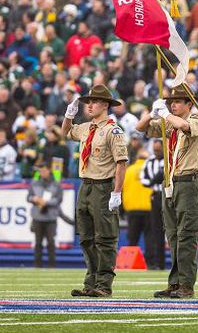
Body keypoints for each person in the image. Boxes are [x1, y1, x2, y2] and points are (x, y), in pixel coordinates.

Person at [136, 84, 198, 299]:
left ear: (189, 104)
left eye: (177, 102)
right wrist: (151, 113)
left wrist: (165, 114)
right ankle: (174, 283)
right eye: (170, 102)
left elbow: (185, 126)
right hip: (170, 182)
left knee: (186, 234)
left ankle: (186, 285)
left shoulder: (196, 120)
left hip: (187, 181)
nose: (172, 105)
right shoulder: (168, 122)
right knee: (173, 235)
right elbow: (140, 128)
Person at [63, 84, 128, 298]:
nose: (89, 105)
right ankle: (91, 281)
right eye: (88, 102)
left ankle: (104, 284)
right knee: (86, 237)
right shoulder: (86, 128)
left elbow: (121, 163)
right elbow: (66, 133)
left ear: (105, 105)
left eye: (94, 101)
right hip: (86, 185)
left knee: (105, 237)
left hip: (103, 186)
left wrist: (116, 193)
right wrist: (68, 115)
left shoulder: (113, 130)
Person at [27, 160, 64, 268]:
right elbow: (28, 197)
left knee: (51, 243)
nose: (42, 173)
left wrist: (45, 202)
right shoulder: (34, 183)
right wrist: (34, 199)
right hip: (37, 216)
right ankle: (37, 265)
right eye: (40, 171)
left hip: (51, 217)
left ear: (49, 170)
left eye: (44, 170)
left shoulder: (56, 184)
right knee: (38, 243)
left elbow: (58, 200)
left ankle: (51, 266)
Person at [139, 138, 166, 270]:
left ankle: (171, 263)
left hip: (168, 196)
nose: (157, 151)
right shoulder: (149, 161)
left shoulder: (168, 159)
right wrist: (153, 180)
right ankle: (157, 263)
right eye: (155, 150)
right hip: (155, 196)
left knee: (171, 230)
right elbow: (143, 179)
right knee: (156, 230)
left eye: (159, 149)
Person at [122, 148, 152, 248]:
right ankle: (150, 263)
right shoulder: (152, 170)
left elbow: (122, 189)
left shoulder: (128, 171)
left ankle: (131, 262)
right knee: (150, 240)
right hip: (149, 209)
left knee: (132, 240)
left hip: (132, 209)